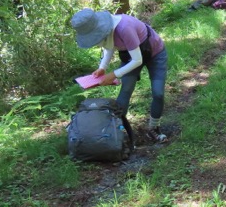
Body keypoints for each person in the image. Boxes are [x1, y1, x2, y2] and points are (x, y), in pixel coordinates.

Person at [72, 8, 168, 142]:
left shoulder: (124, 28)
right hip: (130, 55)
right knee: (126, 90)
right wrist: (102, 67)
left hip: (154, 53)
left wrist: (113, 74)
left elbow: (137, 60)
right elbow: (109, 47)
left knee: (158, 93)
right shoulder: (105, 30)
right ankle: (117, 130)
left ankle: (153, 128)